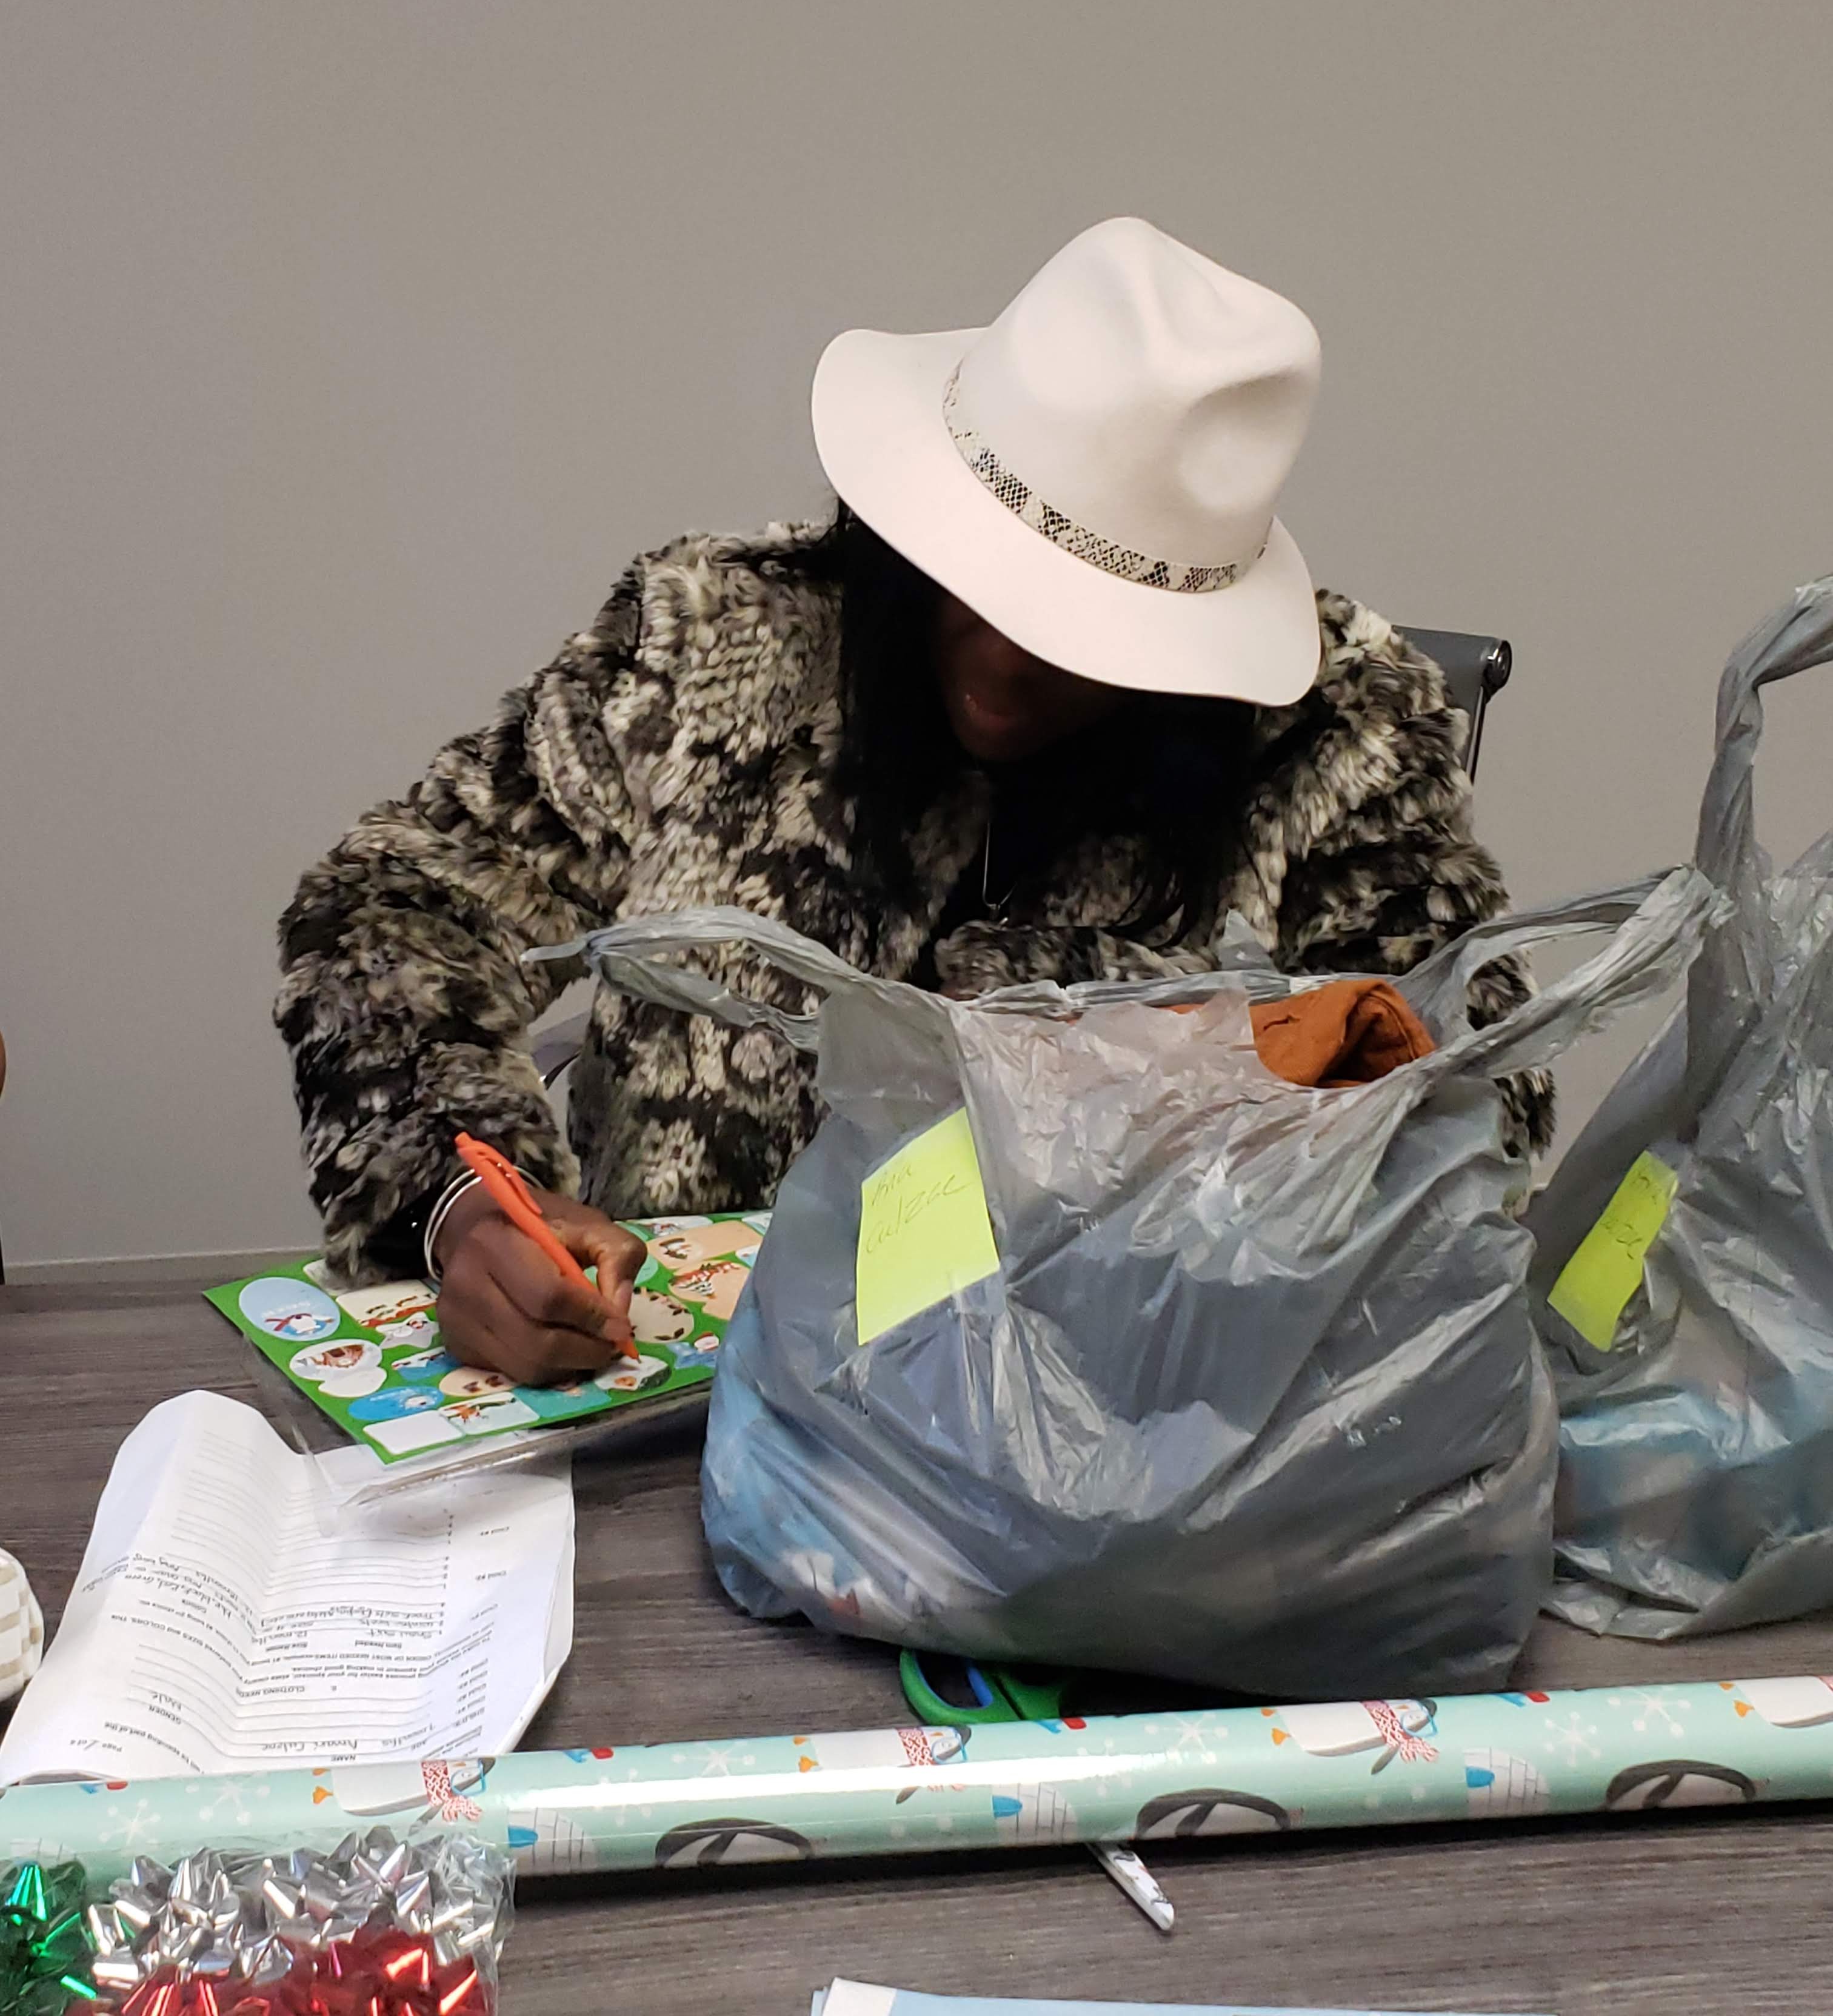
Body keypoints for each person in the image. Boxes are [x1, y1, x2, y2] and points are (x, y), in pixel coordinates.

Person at [277, 218, 1549, 1383]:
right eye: (974, 578)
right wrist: (464, 1201)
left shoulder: (1330, 745)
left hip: (1112, 1440)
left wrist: (1171, 1082)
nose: (1007, 660)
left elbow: (1478, 1091)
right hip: (672, 1411)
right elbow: (392, 906)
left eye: (1085, 631)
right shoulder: (708, 646)